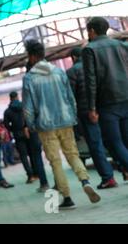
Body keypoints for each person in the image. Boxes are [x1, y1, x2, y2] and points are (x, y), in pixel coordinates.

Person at [22, 40, 100, 210]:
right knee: (73, 154)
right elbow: (70, 98)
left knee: (55, 161)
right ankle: (85, 181)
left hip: (45, 124)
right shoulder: (58, 72)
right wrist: (72, 118)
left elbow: (27, 107)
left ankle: (67, 197)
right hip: (65, 120)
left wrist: (31, 125)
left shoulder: (29, 78)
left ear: (33, 56)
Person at [82, 17, 128, 183]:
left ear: (92, 31)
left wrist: (92, 107)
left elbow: (91, 80)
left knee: (113, 143)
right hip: (126, 97)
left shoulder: (89, 50)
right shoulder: (121, 45)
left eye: (88, 31)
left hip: (107, 102)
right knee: (125, 141)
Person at [67, 47, 117, 189]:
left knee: (96, 146)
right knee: (113, 140)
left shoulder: (72, 72)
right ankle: (122, 168)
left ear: (73, 57)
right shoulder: (96, 65)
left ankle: (108, 178)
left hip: (87, 113)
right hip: (105, 108)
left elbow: (70, 97)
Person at [4, 91, 49, 192]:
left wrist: (13, 129)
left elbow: (6, 125)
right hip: (28, 133)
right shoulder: (24, 106)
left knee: (23, 156)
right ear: (17, 97)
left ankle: (30, 175)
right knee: (33, 154)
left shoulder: (7, 111)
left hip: (18, 135)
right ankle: (37, 173)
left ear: (10, 98)